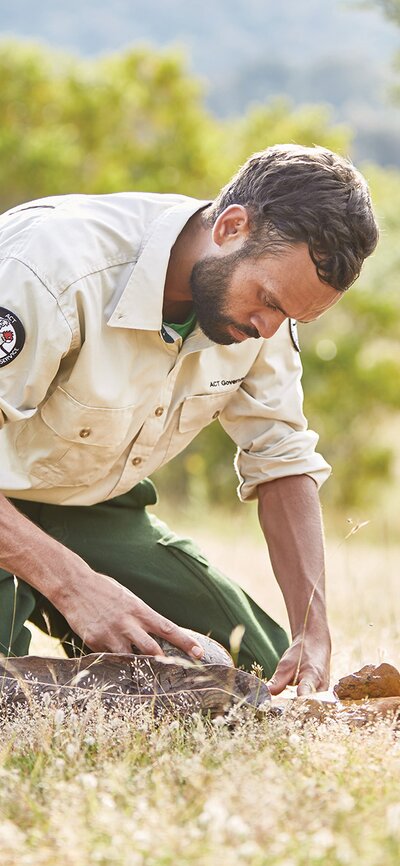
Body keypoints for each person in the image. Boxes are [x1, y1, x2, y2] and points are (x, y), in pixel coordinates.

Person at [0, 144, 378, 695]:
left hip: (87, 504)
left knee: (252, 671)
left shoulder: (265, 310)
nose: (268, 329)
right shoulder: (48, 266)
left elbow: (280, 458)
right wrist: (75, 586)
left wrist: (311, 629)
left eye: (291, 316)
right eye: (267, 301)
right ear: (230, 226)